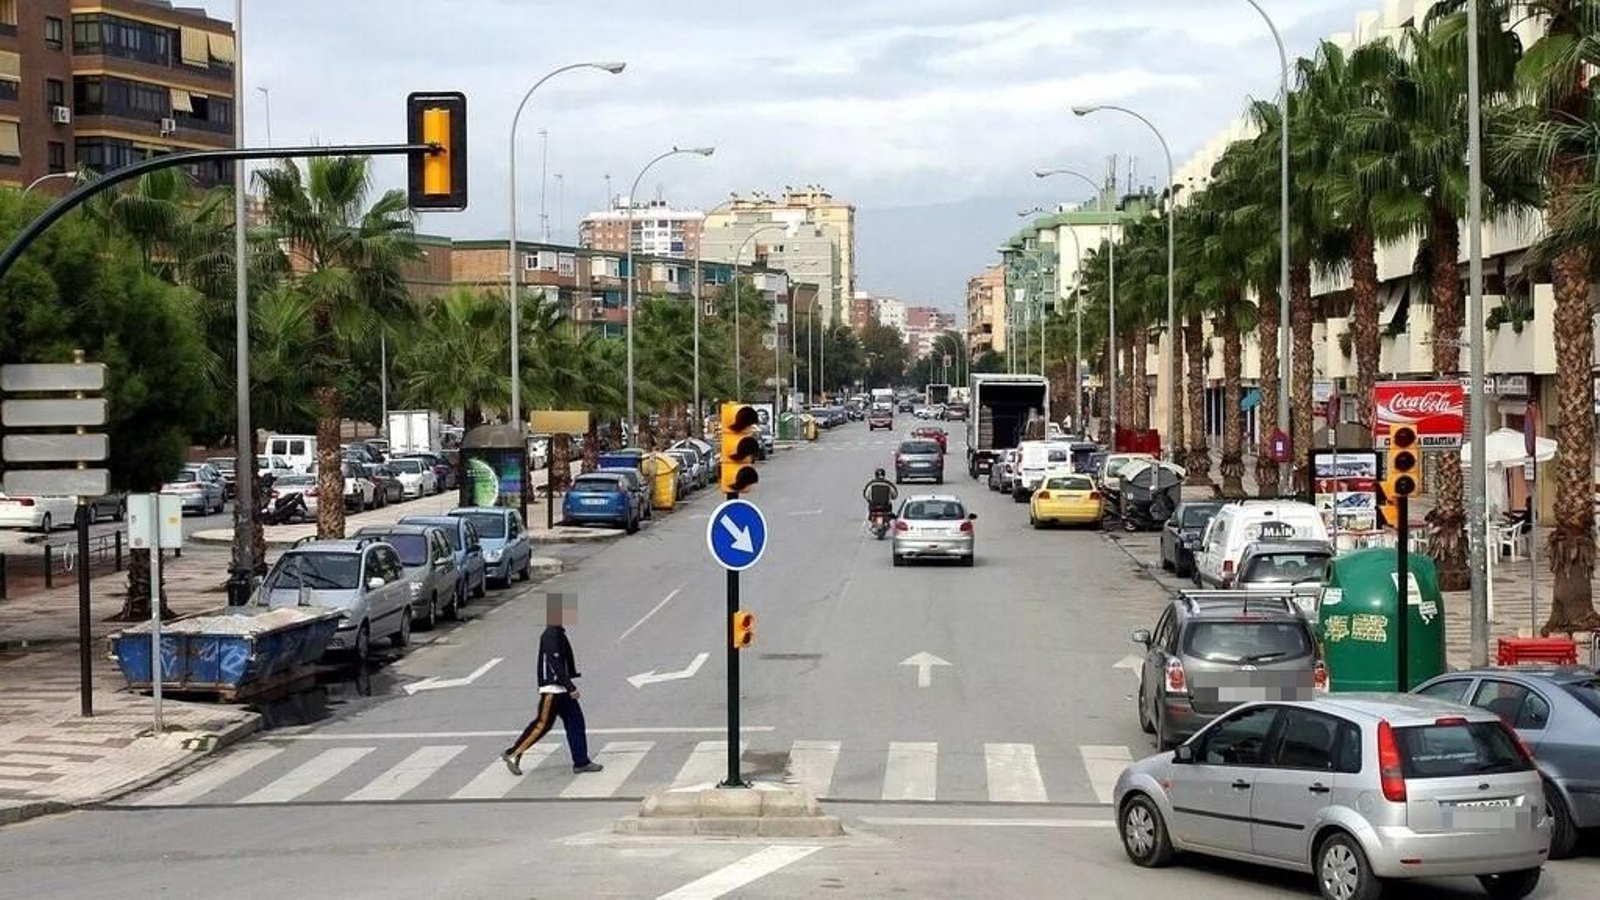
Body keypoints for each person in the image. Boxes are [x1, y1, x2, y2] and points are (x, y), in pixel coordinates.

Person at [501, 594, 603, 776]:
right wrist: (571, 687)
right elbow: (555, 663)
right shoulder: (551, 634)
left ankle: (581, 761)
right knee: (542, 725)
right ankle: (513, 753)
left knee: (576, 723)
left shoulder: (557, 632)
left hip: (560, 689)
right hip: (553, 690)